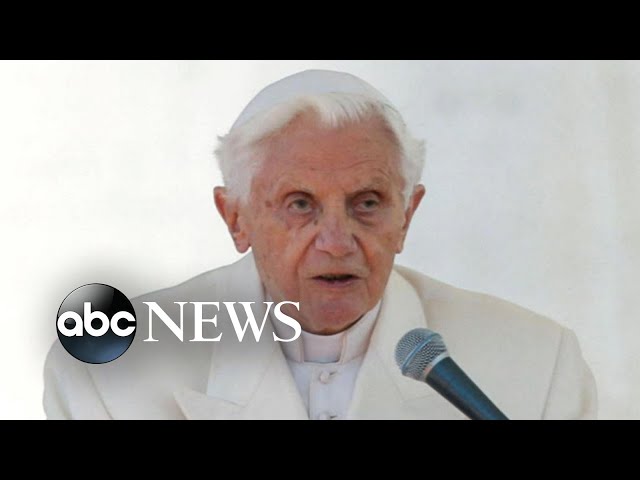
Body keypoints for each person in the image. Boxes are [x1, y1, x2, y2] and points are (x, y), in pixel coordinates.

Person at [43, 69, 597, 419]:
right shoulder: (111, 367)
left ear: (407, 215)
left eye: (368, 202)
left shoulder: (536, 362)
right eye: (300, 204)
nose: (336, 242)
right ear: (235, 217)